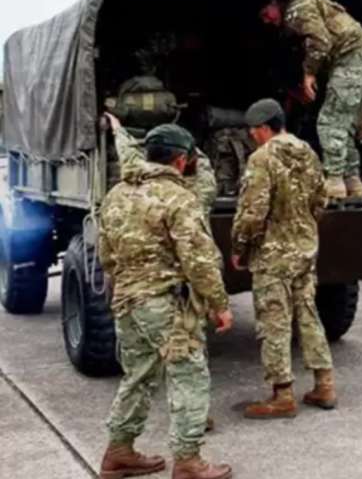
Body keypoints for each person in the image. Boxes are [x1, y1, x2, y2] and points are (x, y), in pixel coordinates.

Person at [97, 124, 233, 479]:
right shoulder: (179, 197)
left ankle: (119, 451)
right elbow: (199, 260)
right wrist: (219, 303)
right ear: (182, 159)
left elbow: (106, 255)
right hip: (164, 302)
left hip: (127, 300)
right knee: (189, 373)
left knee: (138, 375)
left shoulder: (117, 194)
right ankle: (188, 461)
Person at [231, 99, 336, 418]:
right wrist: (302, 227)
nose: (252, 137)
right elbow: (321, 199)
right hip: (305, 249)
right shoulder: (308, 152)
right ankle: (324, 384)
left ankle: (282, 395)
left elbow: (253, 211)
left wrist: (239, 246)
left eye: (253, 132)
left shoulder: (262, 159)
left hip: (272, 255)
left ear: (264, 128)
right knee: (308, 314)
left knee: (274, 321)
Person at [260, 0, 362, 200]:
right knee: (346, 124)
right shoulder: (306, 8)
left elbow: (320, 40)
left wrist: (309, 73)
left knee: (329, 123)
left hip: (351, 58)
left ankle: (333, 181)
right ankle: (352, 181)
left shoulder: (297, 8)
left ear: (274, 3)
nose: (266, 20)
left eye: (265, 13)